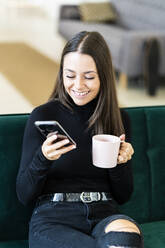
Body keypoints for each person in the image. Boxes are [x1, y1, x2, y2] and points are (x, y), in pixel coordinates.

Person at [16, 31, 144, 248]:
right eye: (70, 75)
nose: (78, 85)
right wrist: (43, 158)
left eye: (89, 76)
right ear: (61, 74)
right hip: (54, 217)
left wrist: (120, 164)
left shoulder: (119, 119)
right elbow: (24, 195)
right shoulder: (43, 115)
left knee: (127, 240)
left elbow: (123, 196)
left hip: (104, 214)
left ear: (103, 75)